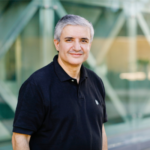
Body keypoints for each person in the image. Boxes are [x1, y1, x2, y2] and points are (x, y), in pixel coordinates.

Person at [12, 14, 108, 150]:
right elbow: (20, 138)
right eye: (69, 40)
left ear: (89, 45)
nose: (77, 47)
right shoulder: (36, 85)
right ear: (57, 44)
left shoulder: (96, 81)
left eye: (83, 41)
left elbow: (101, 130)